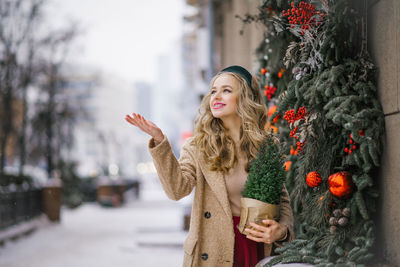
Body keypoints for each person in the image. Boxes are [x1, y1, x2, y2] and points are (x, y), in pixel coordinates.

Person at [125, 65, 294, 267]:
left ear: (245, 98)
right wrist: (160, 142)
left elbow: (282, 201)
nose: (216, 96)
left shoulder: (266, 146)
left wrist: (281, 230)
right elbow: (177, 190)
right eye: (213, 91)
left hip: (257, 248)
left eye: (226, 90)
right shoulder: (198, 146)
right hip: (212, 250)